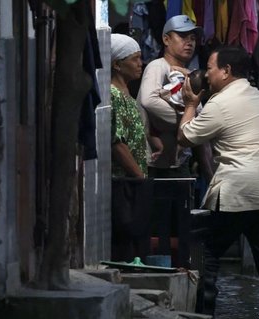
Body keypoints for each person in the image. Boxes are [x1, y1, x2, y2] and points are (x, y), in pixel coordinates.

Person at [178, 46, 259, 318]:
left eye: (210, 68)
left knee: (206, 255)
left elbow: (185, 137)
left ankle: (203, 314)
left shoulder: (219, 104)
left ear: (226, 71)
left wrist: (189, 105)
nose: (207, 74)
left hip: (241, 190)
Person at [137, 15, 208, 266]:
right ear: (166, 39)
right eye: (182, 37)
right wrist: (184, 121)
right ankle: (160, 271)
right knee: (159, 226)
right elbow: (148, 101)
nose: (189, 43)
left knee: (180, 224)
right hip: (157, 166)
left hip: (178, 164)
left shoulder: (190, 72)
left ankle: (179, 271)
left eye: (193, 38)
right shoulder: (158, 67)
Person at [110, 33, 153, 262]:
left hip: (134, 181)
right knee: (124, 237)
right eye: (135, 59)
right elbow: (117, 143)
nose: (140, 64)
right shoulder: (113, 94)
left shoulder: (127, 93)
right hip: (124, 182)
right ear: (117, 64)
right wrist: (139, 177)